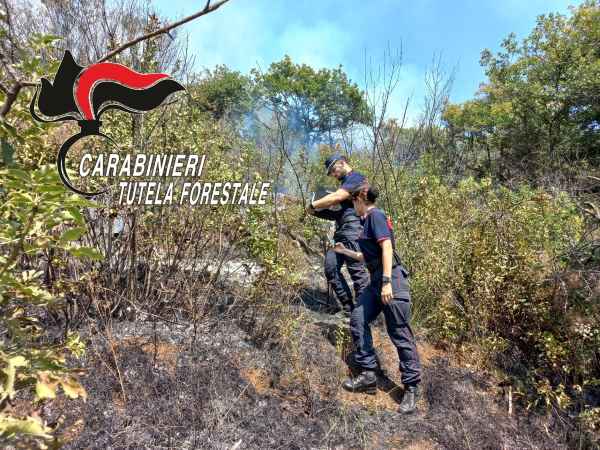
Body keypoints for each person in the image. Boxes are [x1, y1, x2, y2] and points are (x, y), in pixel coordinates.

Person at [332, 183, 421, 414]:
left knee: (399, 333)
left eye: (353, 203)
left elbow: (387, 247)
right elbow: (366, 255)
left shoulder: (376, 215)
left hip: (392, 280)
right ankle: (369, 375)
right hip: (376, 281)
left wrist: (387, 282)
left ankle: (411, 388)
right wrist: (345, 252)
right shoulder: (366, 222)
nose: (352, 207)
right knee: (358, 318)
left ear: (360, 200)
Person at [307, 153, 370, 316]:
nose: (333, 175)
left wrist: (314, 204)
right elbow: (337, 214)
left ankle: (364, 313)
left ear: (342, 163)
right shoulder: (345, 184)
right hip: (342, 233)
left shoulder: (356, 178)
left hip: (354, 230)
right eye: (331, 173)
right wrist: (314, 212)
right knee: (330, 267)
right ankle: (349, 309)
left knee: (357, 272)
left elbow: (337, 197)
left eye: (334, 170)